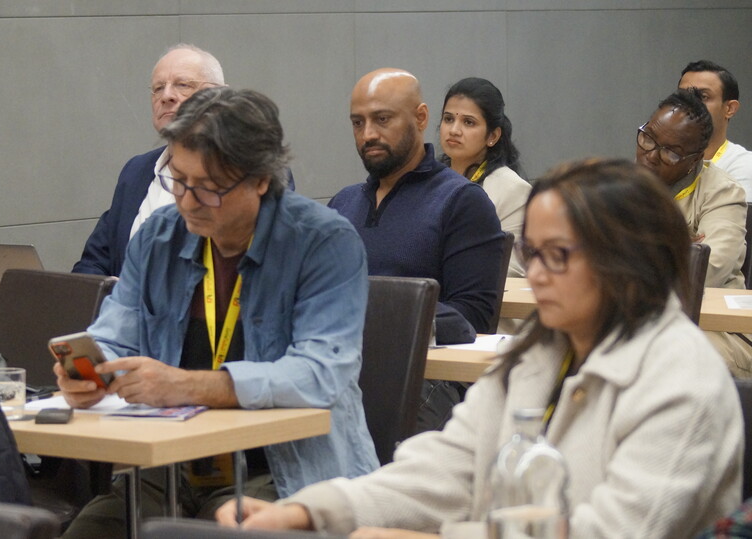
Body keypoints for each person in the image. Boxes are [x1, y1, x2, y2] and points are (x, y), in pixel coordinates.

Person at [217, 158, 743, 538]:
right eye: (532, 253)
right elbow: (450, 467)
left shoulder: (681, 377)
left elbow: (613, 532)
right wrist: (310, 511)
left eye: (558, 255)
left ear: (627, 259)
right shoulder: (538, 352)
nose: (536, 274)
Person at [56, 87, 378, 537]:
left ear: (260, 180)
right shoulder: (158, 236)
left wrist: (188, 386)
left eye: (208, 188)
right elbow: (115, 333)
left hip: (281, 469)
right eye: (178, 179)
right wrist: (92, 371)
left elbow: (321, 374)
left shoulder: (323, 242)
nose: (186, 201)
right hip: (172, 464)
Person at [330, 68, 505, 432]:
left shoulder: (462, 202)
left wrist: (371, 315)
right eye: (358, 123)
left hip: (426, 375)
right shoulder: (343, 205)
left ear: (421, 118)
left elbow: (472, 317)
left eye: (382, 119)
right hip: (339, 369)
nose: (368, 134)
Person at [72, 43, 225, 276]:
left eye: (182, 85)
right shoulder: (136, 171)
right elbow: (94, 262)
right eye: (158, 88)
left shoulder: (243, 174)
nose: (166, 96)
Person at [636, 88, 751, 377]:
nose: (650, 155)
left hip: (712, 327)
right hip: (635, 318)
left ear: (695, 159)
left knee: (669, 360)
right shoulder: (620, 187)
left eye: (670, 153)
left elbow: (706, 268)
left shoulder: (722, 193)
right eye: (647, 138)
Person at [438, 77, 531, 277]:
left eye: (468, 122)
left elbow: (511, 270)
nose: (454, 130)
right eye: (448, 119)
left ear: (492, 136)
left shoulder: (512, 190)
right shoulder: (425, 180)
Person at [679, 60, 752, 201]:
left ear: (729, 109)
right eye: (683, 96)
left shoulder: (744, 164)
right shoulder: (656, 157)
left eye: (703, 97)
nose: (689, 104)